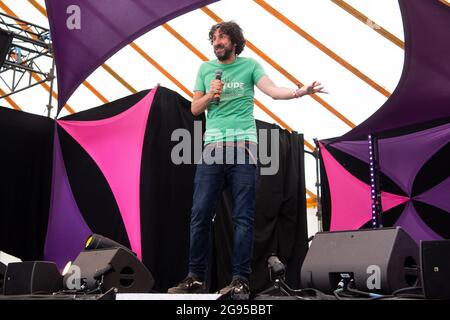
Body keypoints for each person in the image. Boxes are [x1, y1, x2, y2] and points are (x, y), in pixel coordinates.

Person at [168, 21, 326, 299]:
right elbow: (194, 108)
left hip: (243, 150)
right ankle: (195, 278)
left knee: (243, 219)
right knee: (200, 216)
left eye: (222, 38)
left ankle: (240, 280)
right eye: (213, 38)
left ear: (234, 42)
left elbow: (274, 91)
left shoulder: (250, 66)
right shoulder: (205, 70)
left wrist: (301, 91)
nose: (216, 42)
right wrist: (210, 94)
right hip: (212, 149)